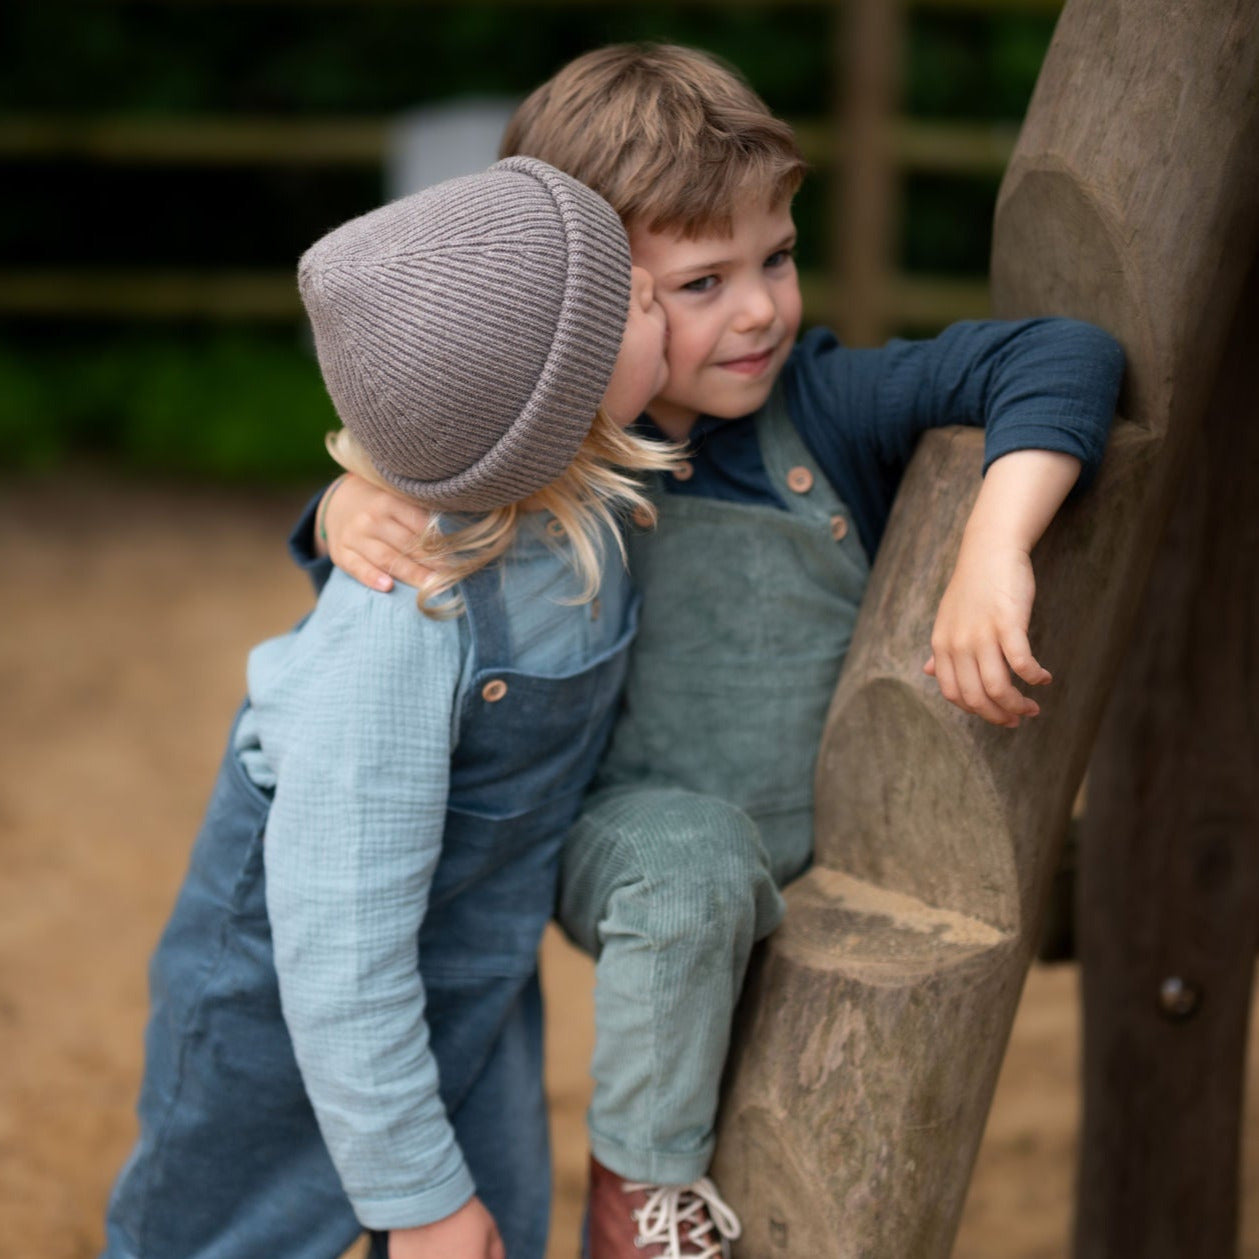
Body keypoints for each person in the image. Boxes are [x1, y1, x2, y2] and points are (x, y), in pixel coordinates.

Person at [304, 43, 1124, 1259]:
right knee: (687, 863)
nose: (757, 309)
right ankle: (638, 1196)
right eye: (700, 282)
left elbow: (1064, 353)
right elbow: (360, 566)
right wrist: (338, 511)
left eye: (775, 257)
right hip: (621, 835)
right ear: (586, 301)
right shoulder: (546, 446)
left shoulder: (826, 406)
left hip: (829, 840)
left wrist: (992, 545)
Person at [100, 156, 677, 1259]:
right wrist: (413, 1197)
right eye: (630, 297)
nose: (651, 286)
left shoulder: (582, 505)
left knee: (493, 1224)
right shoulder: (414, 616)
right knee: (231, 1233)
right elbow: (340, 937)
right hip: (290, 1008)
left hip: (471, 978)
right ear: (553, 406)